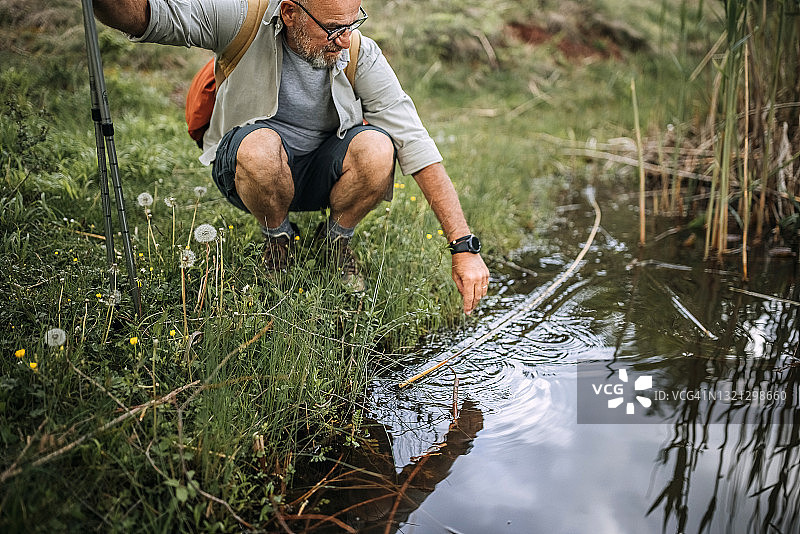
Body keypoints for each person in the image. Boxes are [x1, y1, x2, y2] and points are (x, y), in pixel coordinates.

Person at [92, 0, 489, 314]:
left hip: (319, 174)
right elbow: (144, 15)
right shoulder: (241, 20)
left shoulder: (358, 51)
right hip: (251, 169)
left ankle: (335, 243)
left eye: (353, 24)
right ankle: (277, 240)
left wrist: (463, 248)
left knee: (379, 147)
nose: (345, 40)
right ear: (290, 13)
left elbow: (415, 143)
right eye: (333, 29)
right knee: (262, 146)